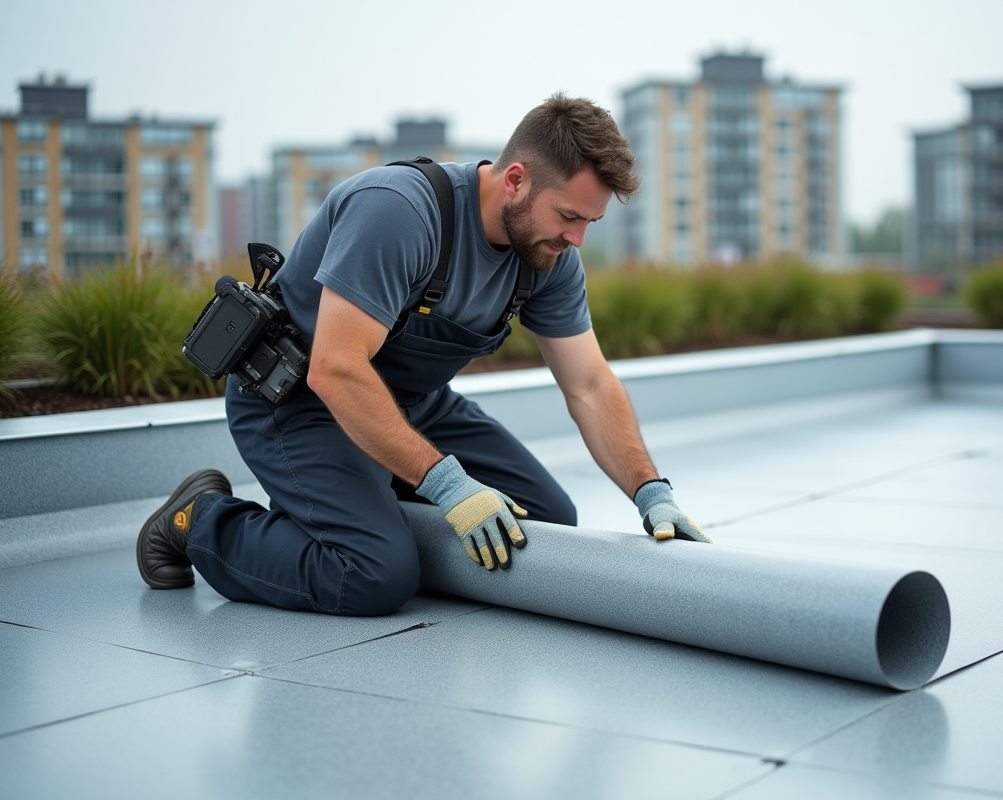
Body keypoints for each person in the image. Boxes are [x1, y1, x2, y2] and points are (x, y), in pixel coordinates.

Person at [136, 93, 710, 616]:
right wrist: (448, 486)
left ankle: (356, 509)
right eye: (568, 216)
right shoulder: (399, 213)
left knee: (545, 525)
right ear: (515, 179)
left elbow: (589, 384)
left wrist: (650, 491)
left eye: (591, 222)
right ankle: (201, 521)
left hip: (413, 405)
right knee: (373, 575)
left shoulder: (548, 258)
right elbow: (336, 368)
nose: (577, 239)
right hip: (301, 402)